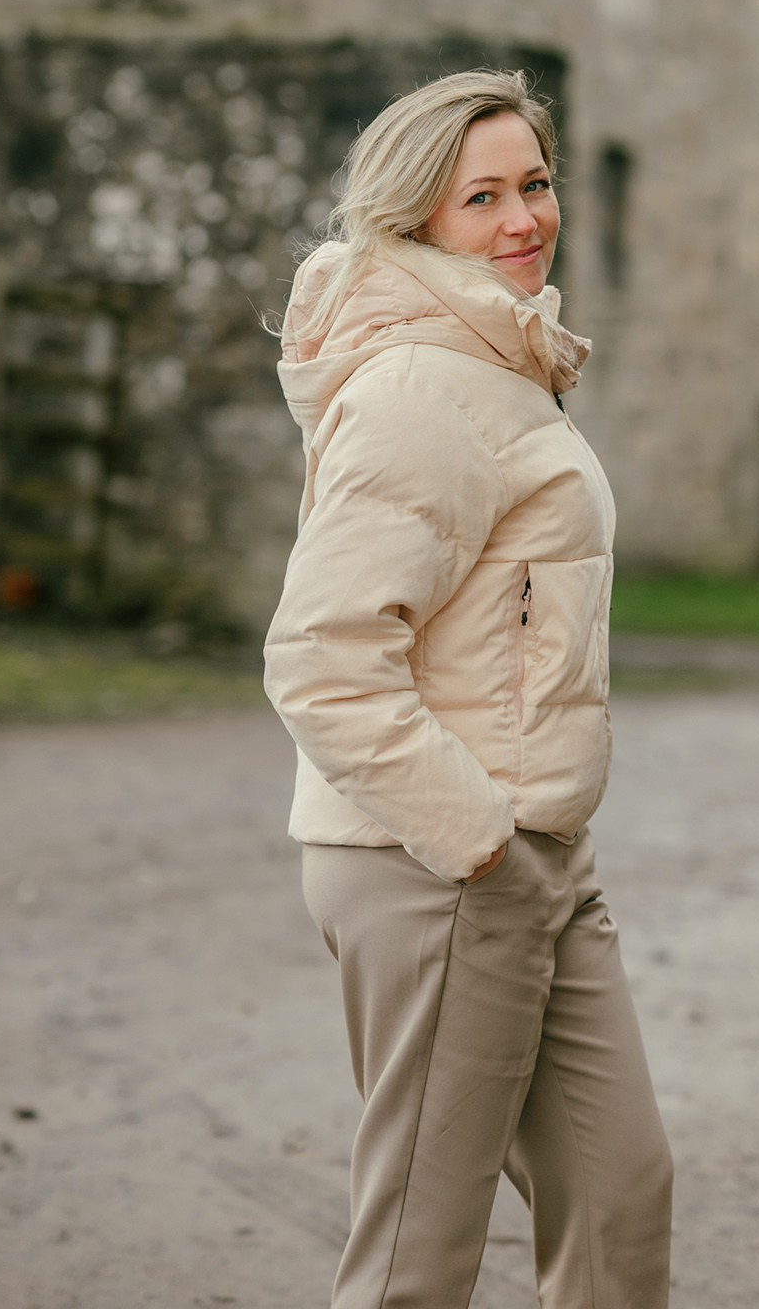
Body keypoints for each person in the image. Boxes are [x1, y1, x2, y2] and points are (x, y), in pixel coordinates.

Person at [264, 69, 673, 1308]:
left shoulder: (501, 362)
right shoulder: (420, 388)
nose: (521, 220)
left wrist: (526, 846)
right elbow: (322, 658)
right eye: (478, 198)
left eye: (534, 183)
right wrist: (478, 842)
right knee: (416, 1260)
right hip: (441, 865)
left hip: (538, 854)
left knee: (618, 1193)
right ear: (412, 221)